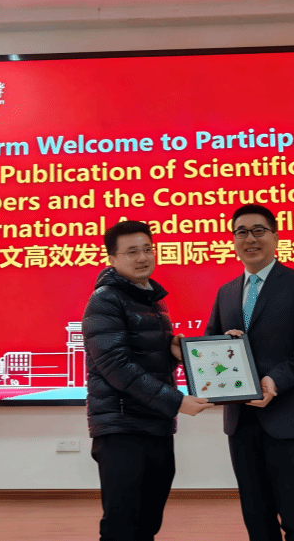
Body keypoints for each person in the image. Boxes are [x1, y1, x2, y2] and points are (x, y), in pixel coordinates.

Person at [205, 204, 294, 541]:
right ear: (233, 240)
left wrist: (276, 380)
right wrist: (223, 344)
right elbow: (209, 343)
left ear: (275, 237)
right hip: (240, 421)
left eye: (258, 230)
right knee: (256, 517)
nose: (250, 239)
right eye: (241, 232)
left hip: (288, 416)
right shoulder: (226, 292)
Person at [83, 220, 214, 541]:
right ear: (112, 258)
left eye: (147, 249)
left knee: (147, 522)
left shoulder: (154, 301)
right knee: (122, 526)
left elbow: (146, 358)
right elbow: (115, 366)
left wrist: (174, 354)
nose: (143, 258)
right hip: (122, 427)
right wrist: (176, 401)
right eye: (132, 252)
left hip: (155, 425)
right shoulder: (106, 300)